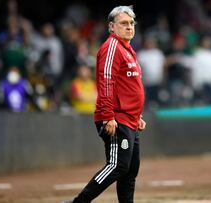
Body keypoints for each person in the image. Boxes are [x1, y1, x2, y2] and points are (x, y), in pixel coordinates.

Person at [67, 6, 146, 203]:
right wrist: (108, 116)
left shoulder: (128, 50)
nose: (129, 27)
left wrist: (138, 116)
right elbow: (106, 83)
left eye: (131, 24)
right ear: (112, 27)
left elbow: (127, 87)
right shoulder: (112, 47)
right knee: (117, 165)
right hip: (116, 118)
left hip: (129, 119)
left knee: (130, 170)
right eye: (123, 24)